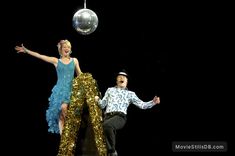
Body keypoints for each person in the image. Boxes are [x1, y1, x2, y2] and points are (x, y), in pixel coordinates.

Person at [14, 39, 82, 135]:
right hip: (60, 91)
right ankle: (64, 138)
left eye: (68, 47)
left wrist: (87, 79)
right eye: (65, 47)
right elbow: (40, 56)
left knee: (64, 107)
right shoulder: (56, 61)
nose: (67, 49)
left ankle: (71, 128)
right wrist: (27, 51)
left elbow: (80, 74)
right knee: (61, 116)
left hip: (71, 90)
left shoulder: (74, 60)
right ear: (61, 49)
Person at [95, 69, 160, 156]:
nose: (122, 78)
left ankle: (112, 151)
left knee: (107, 126)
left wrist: (153, 102)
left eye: (124, 77)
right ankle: (110, 153)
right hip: (108, 117)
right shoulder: (110, 90)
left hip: (120, 117)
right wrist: (97, 99)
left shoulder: (130, 94)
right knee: (104, 131)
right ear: (117, 80)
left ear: (127, 81)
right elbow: (102, 105)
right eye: (119, 77)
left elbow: (142, 105)